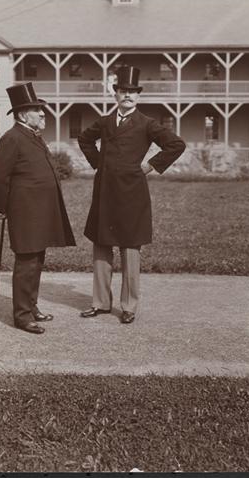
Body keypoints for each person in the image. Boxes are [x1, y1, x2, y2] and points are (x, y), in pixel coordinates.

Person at [78, 66, 186, 324]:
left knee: (129, 248)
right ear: (115, 94)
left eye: (133, 92)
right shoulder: (105, 122)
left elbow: (176, 145)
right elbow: (84, 139)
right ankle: (101, 302)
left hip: (132, 193)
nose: (127, 95)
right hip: (105, 191)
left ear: (138, 96)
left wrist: (150, 165)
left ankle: (129, 306)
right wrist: (99, 163)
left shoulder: (147, 123)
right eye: (123, 91)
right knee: (101, 245)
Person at [0, 82, 76, 334]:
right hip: (25, 212)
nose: (42, 113)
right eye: (36, 110)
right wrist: (5, 207)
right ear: (21, 115)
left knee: (37, 260)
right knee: (27, 262)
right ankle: (22, 316)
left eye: (41, 109)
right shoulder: (12, 138)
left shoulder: (32, 136)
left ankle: (31, 306)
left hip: (39, 212)